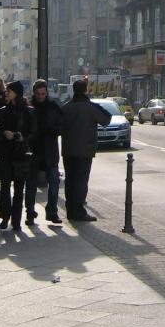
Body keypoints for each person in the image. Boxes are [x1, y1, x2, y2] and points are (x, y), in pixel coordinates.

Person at [60, 79, 104, 222]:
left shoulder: (66, 107)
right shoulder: (90, 107)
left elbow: (58, 127)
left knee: (70, 180)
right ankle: (79, 212)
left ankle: (70, 211)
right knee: (81, 181)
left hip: (68, 150)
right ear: (85, 90)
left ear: (73, 90)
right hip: (85, 150)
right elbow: (106, 119)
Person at [0, 82, 34, 231]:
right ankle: (5, 216)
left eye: (9, 91)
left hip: (21, 153)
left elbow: (33, 132)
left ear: (17, 93)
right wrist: (3, 133)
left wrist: (21, 137)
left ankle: (16, 220)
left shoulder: (28, 112)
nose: (6, 93)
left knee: (19, 188)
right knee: (5, 187)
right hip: (6, 153)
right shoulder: (3, 111)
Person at [30, 79, 63, 224]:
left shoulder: (53, 107)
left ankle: (52, 212)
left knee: (54, 182)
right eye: (38, 94)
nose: (40, 96)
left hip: (50, 150)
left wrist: (52, 130)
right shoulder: (29, 106)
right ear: (34, 93)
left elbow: (62, 126)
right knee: (31, 184)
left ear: (46, 93)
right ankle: (30, 212)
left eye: (42, 94)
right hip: (34, 150)